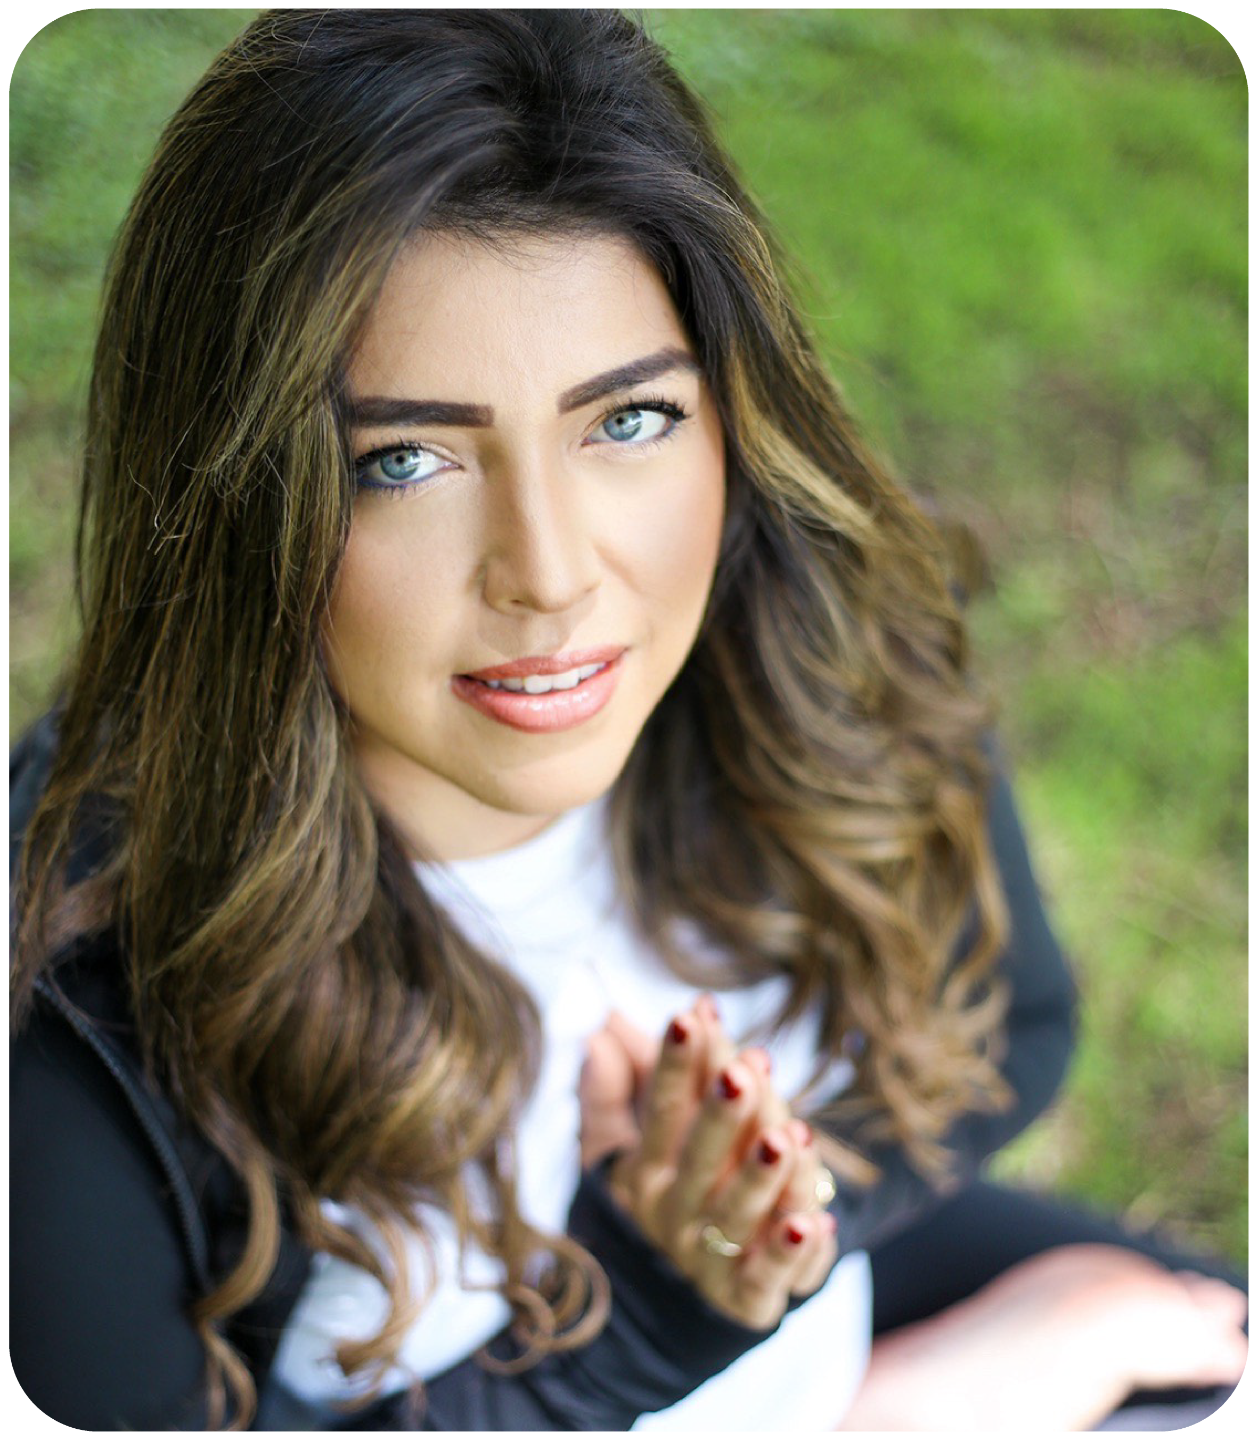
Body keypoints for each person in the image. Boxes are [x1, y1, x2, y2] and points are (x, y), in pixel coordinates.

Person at [8, 8, 1246, 1432]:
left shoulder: (819, 636)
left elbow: (1008, 1028)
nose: (548, 574)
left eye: (627, 421)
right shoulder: (77, 1001)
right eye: (402, 459)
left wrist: (775, 1215)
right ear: (229, 497)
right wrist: (721, 1328)